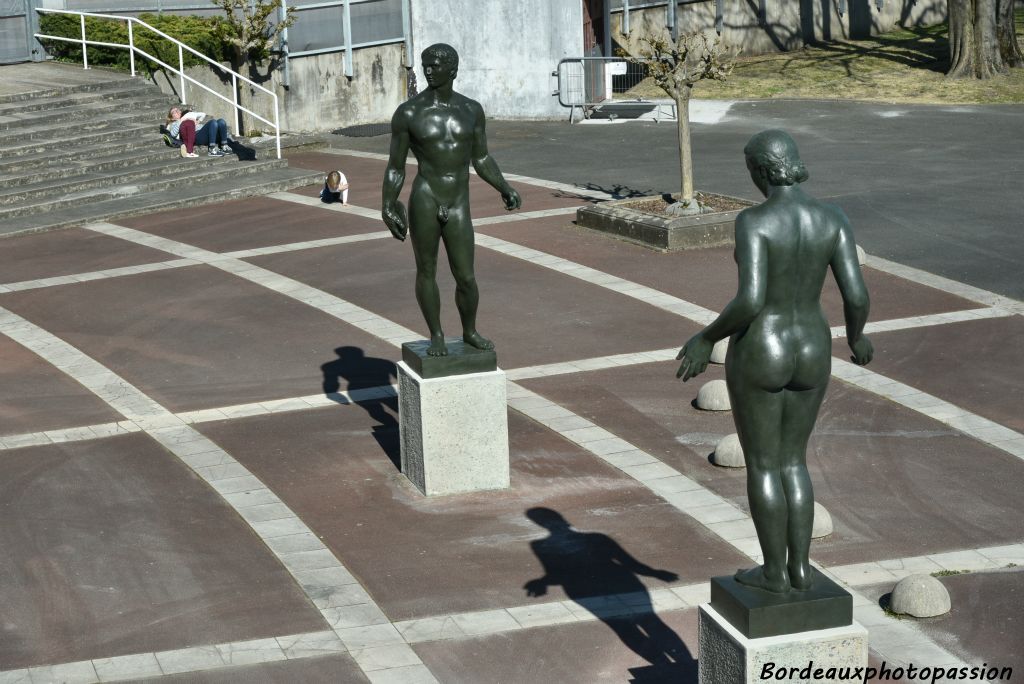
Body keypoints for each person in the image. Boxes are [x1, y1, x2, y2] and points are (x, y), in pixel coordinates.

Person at [676, 129, 873, 594]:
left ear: (762, 170)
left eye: (751, 171)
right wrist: (858, 337)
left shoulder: (754, 221)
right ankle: (801, 569)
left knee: (764, 466)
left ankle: (773, 571)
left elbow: (750, 300)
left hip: (764, 347)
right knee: (794, 463)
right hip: (812, 347)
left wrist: (706, 338)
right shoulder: (833, 217)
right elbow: (857, 295)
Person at [382, 43, 521, 358]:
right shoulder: (408, 113)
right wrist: (388, 204)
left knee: (466, 275)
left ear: (453, 70)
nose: (429, 70)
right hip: (426, 196)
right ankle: (436, 335)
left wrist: (505, 186)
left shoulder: (471, 110)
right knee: (426, 269)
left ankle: (469, 331)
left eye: (435, 65)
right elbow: (395, 167)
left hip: (458, 200)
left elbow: (481, 158)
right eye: (425, 65)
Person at [166, 106, 232, 158]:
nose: (176, 111)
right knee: (213, 122)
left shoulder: (187, 116)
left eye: (177, 110)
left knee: (221, 121)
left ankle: (224, 146)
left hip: (205, 132)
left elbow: (202, 115)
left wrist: (198, 121)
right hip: (197, 136)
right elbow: (173, 134)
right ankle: (212, 149)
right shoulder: (173, 124)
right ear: (172, 118)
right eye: (173, 112)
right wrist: (181, 120)